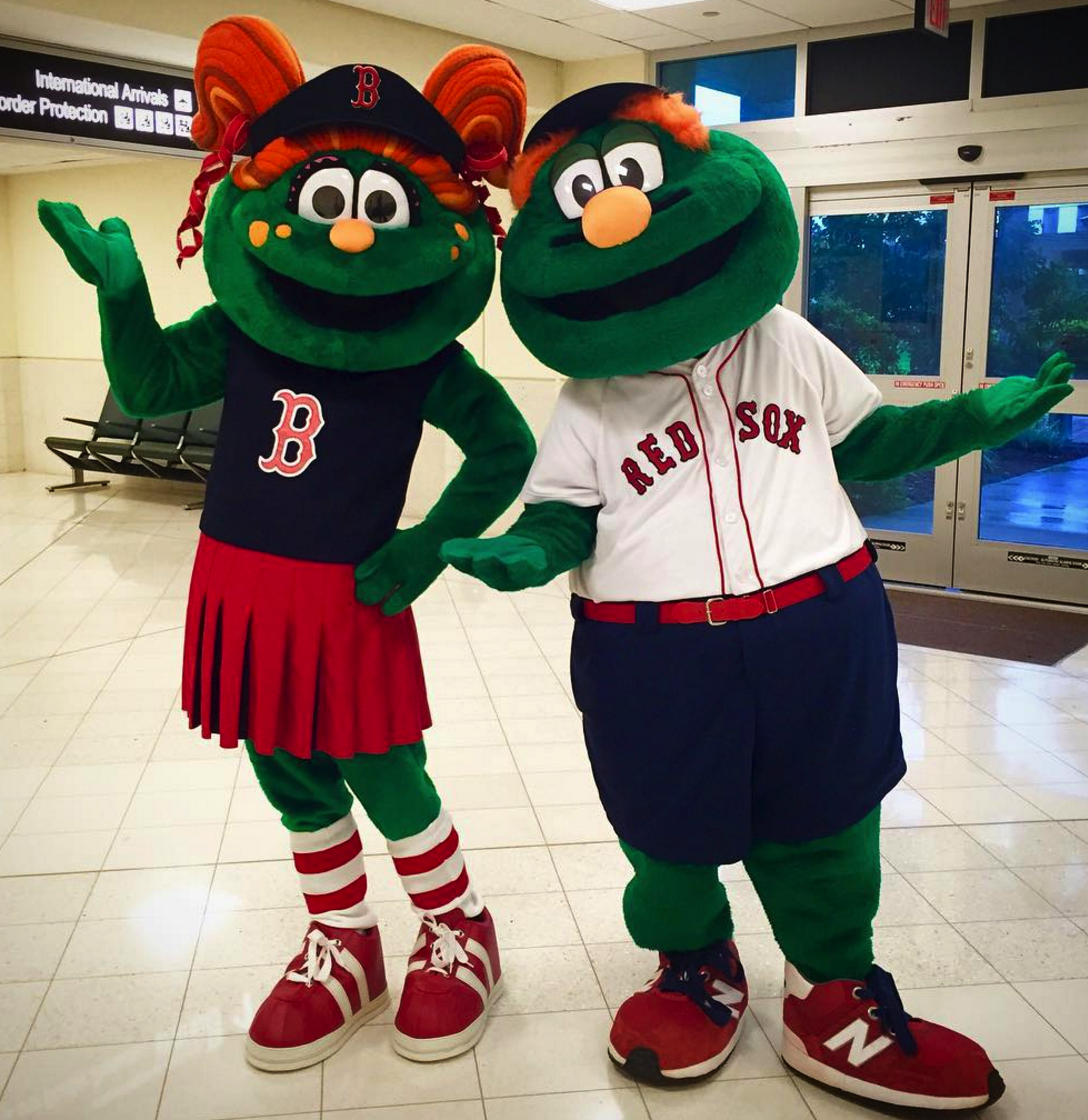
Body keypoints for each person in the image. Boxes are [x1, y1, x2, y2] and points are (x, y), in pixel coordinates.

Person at [443, 80, 1074, 1109]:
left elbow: (874, 441)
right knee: (662, 825)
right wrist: (521, 553)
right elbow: (562, 515)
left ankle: (830, 995)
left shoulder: (785, 340)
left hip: (818, 628)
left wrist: (979, 415)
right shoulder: (591, 396)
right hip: (652, 653)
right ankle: (695, 967)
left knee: (827, 818)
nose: (615, 218)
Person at [39, 15, 534, 1071]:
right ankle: (344, 937)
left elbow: (505, 445)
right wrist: (122, 293)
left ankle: (461, 927)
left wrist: (430, 544)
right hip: (240, 588)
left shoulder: (423, 359)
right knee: (287, 771)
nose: (350, 234)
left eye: (379, 211)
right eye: (325, 206)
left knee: (384, 768)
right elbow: (148, 388)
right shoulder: (238, 329)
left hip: (350, 591)